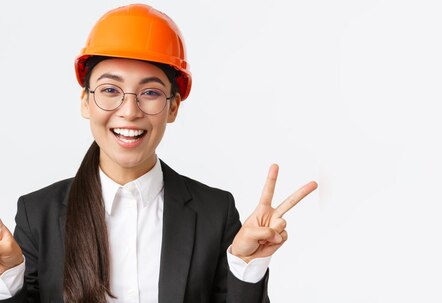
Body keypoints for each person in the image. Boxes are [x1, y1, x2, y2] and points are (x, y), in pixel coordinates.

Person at [0, 4, 317, 302]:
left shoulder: (214, 214)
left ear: (173, 107)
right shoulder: (37, 214)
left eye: (150, 93)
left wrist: (246, 267)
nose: (129, 111)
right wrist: (8, 281)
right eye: (110, 90)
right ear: (85, 101)